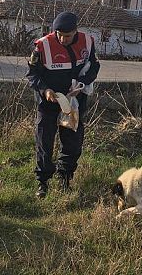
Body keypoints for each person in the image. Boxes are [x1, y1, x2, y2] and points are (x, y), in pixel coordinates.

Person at [26, 12, 100, 198]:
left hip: (74, 102)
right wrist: (45, 90)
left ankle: (65, 177)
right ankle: (42, 182)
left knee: (73, 144)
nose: (63, 39)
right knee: (44, 142)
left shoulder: (88, 42)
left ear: (76, 31)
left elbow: (94, 67)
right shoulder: (42, 46)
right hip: (48, 102)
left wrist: (81, 84)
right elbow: (32, 75)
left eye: (67, 36)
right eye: (59, 34)